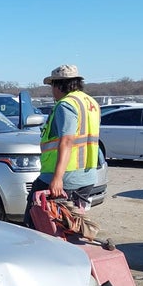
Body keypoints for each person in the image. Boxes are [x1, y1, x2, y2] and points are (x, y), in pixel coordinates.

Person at [25, 64, 101, 228]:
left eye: (52, 85)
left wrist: (57, 178)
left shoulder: (66, 105)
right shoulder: (91, 103)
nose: (52, 91)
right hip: (86, 176)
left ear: (59, 85)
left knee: (36, 222)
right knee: (71, 226)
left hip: (64, 178)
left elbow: (67, 141)